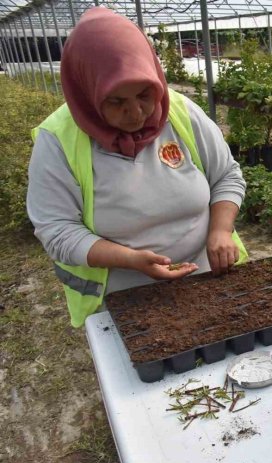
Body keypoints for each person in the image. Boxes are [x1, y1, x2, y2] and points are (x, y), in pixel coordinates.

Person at [26, 7, 248, 328]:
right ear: (87, 91)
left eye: (145, 94)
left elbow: (226, 176)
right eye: (116, 101)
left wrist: (220, 230)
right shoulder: (59, 140)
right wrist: (131, 260)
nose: (136, 113)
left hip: (207, 280)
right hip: (124, 300)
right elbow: (56, 229)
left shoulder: (181, 112)